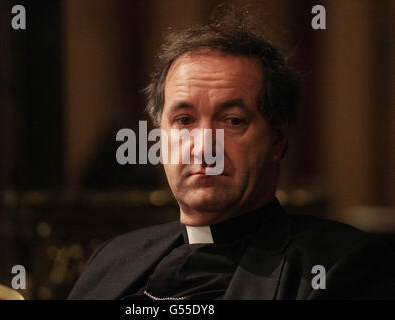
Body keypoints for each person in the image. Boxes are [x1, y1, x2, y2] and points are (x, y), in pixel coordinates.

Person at [68, 8, 395, 300]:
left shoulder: (343, 267)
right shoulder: (113, 258)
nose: (204, 146)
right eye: (184, 121)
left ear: (277, 139)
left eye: (232, 121)